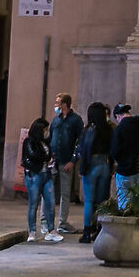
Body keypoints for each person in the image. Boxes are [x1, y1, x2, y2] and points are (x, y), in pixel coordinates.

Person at [77, 100, 113, 242]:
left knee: (89, 200)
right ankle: (99, 229)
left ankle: (87, 231)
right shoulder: (108, 129)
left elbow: (85, 149)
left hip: (92, 164)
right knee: (101, 200)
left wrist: (83, 169)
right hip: (105, 163)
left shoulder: (89, 130)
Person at [49, 92, 82, 237]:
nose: (56, 105)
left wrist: (73, 160)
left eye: (58, 102)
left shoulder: (75, 120)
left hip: (66, 161)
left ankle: (62, 222)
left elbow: (79, 141)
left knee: (65, 193)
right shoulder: (55, 121)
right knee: (48, 192)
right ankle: (46, 222)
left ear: (65, 104)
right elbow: (51, 138)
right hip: (53, 161)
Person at [21, 117, 56, 242]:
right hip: (34, 176)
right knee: (33, 204)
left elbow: (48, 156)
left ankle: (51, 231)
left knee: (50, 203)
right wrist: (46, 157)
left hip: (46, 174)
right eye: (45, 129)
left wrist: (46, 157)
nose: (47, 132)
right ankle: (32, 232)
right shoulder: (29, 142)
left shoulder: (45, 142)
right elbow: (34, 155)